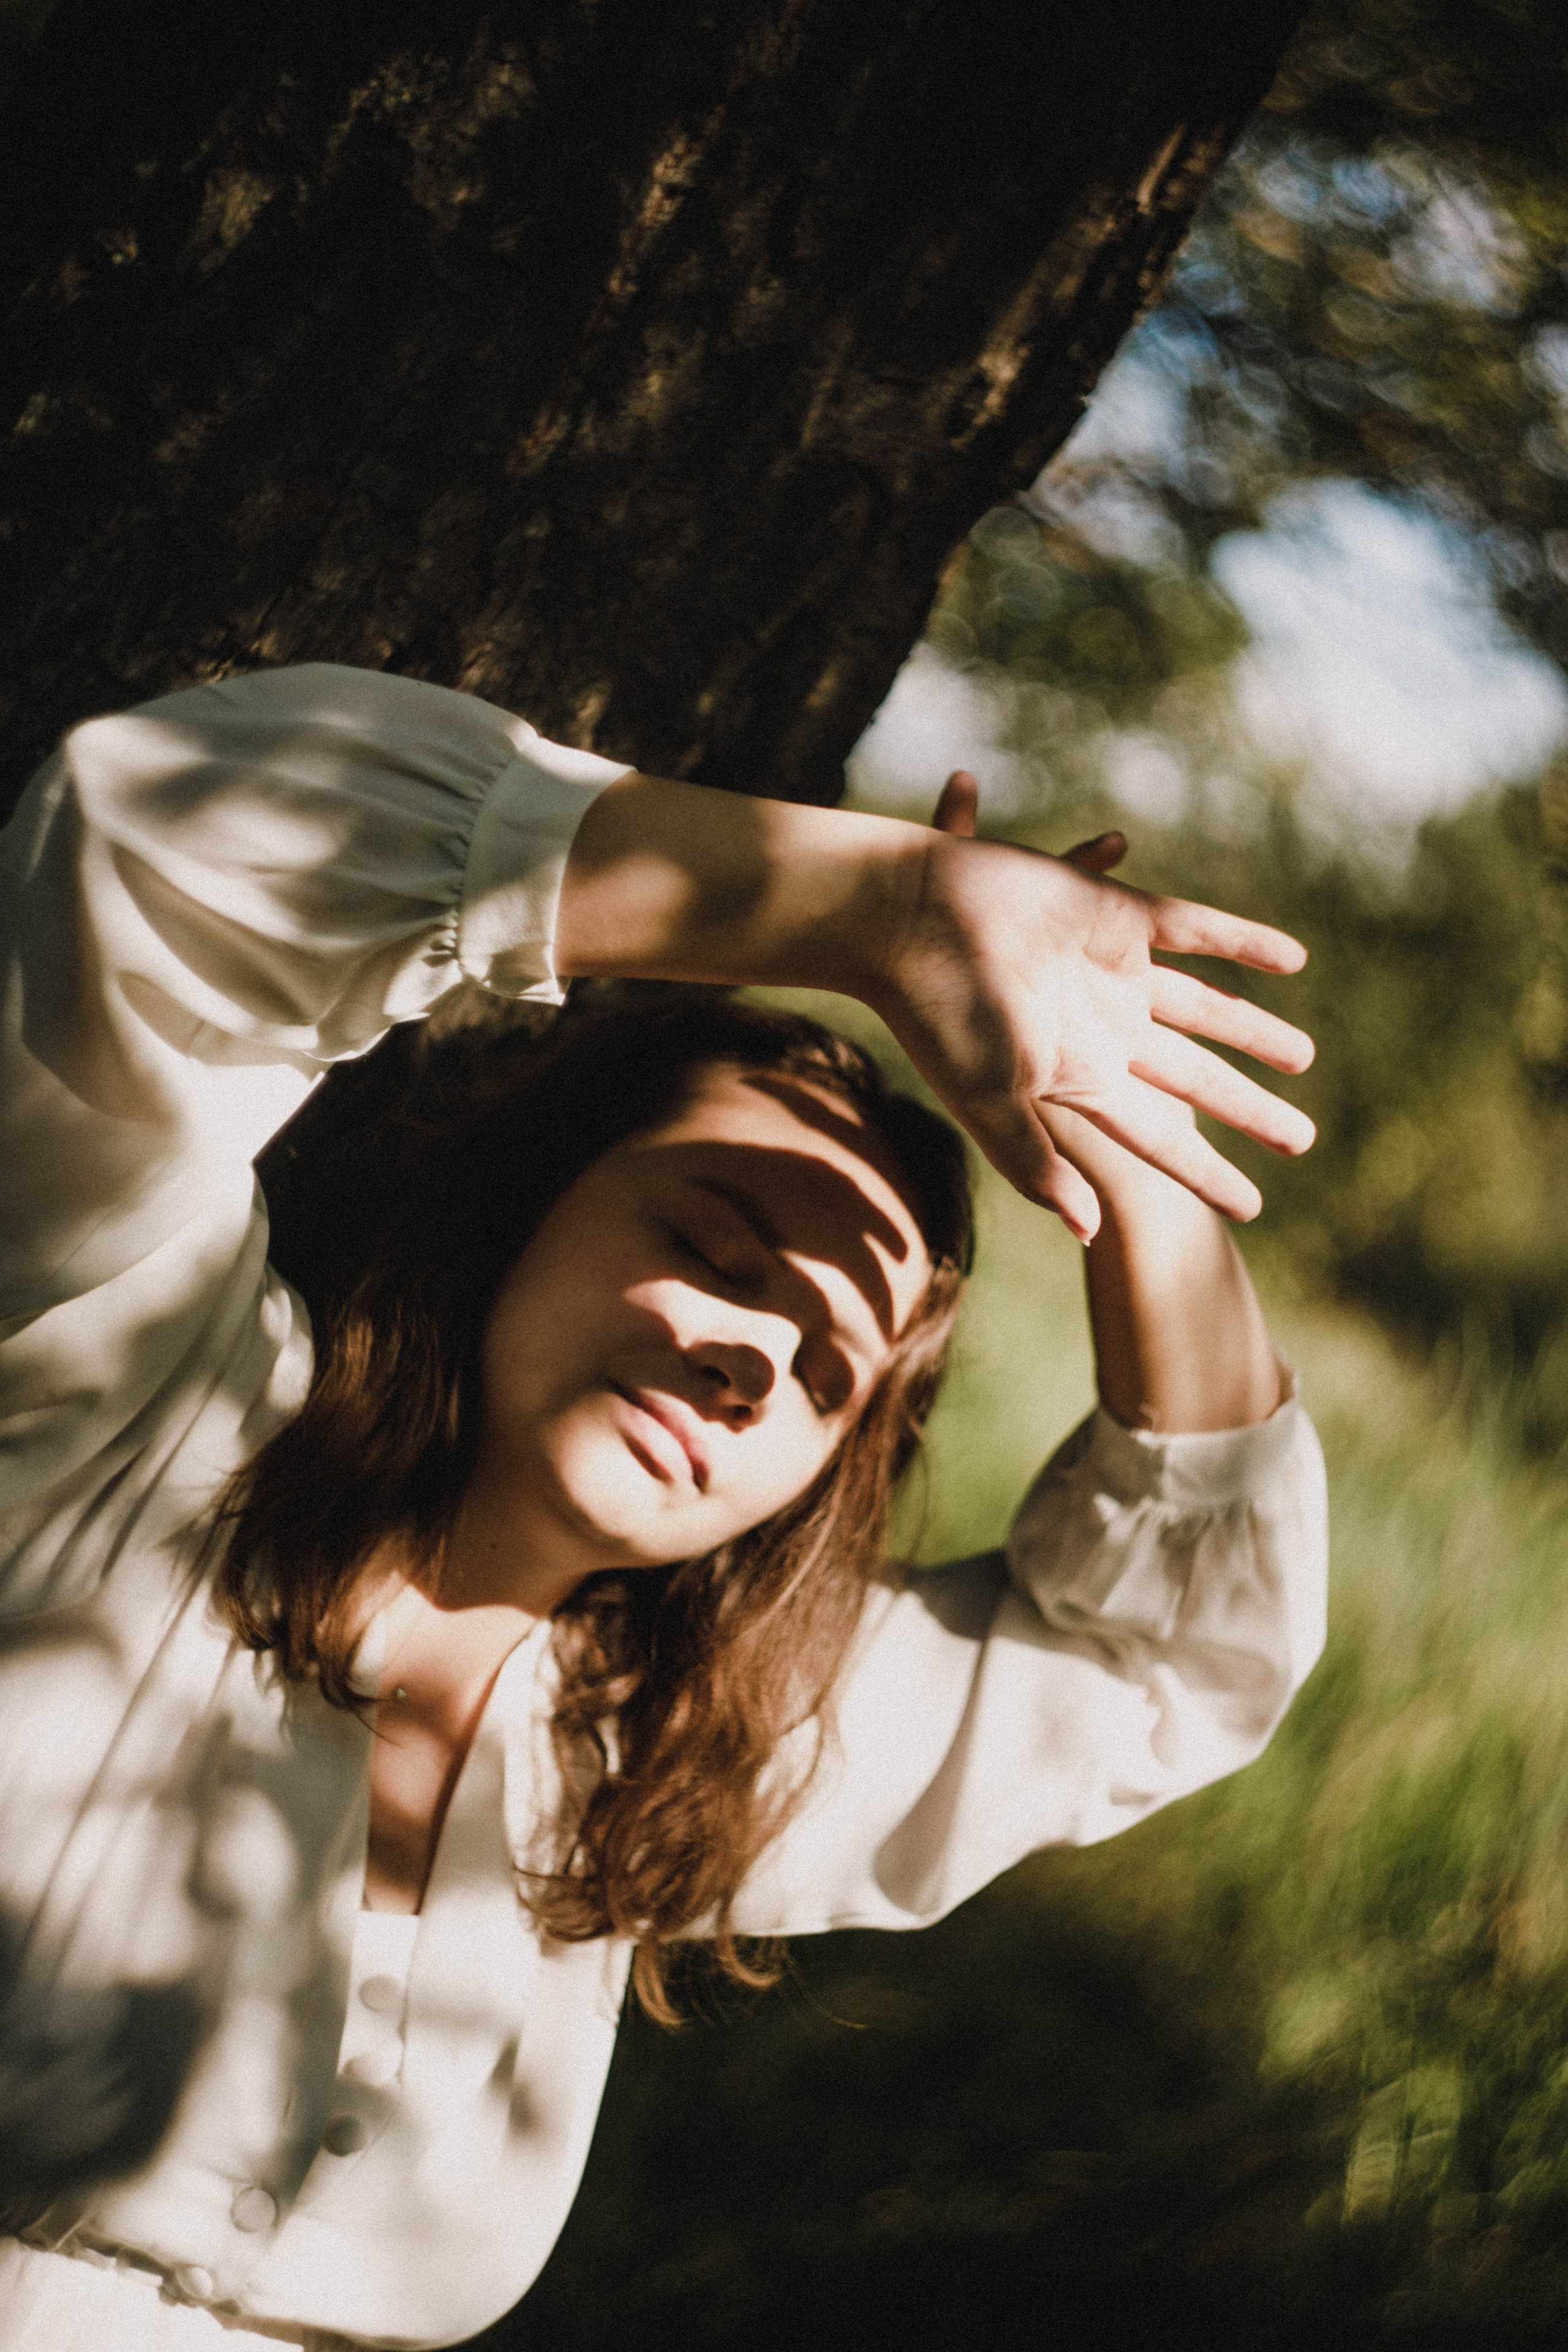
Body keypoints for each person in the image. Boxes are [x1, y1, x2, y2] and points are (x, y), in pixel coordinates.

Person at [0, 664, 1327, 2350]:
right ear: (523, 1206)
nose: (751, 1365)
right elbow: (156, 860)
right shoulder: (121, 1422)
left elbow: (1179, 1660)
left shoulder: (662, 1758)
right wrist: (874, 911)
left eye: (827, 1371)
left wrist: (1115, 1127)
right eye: (712, 1244)